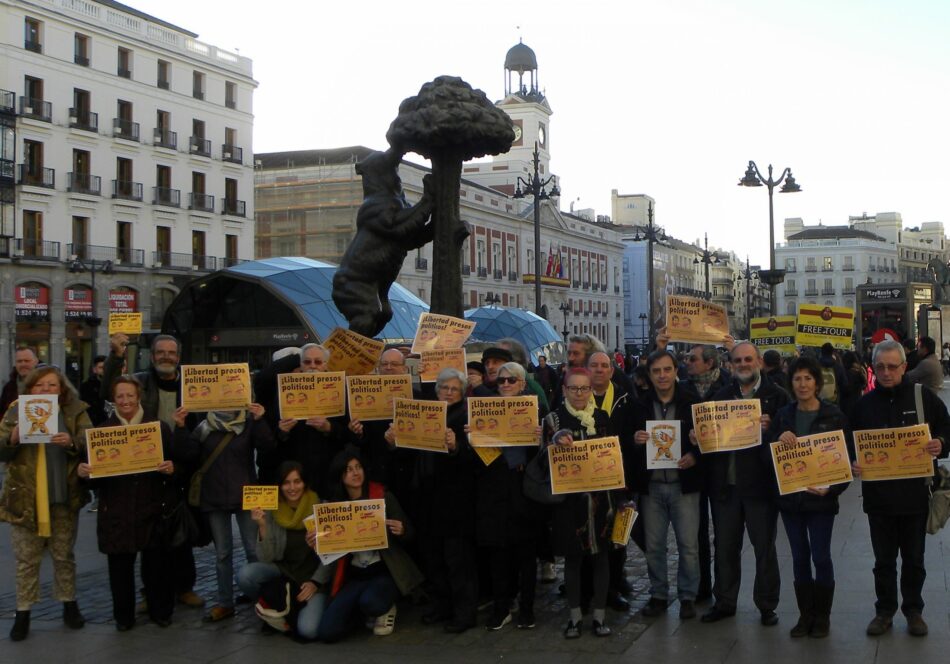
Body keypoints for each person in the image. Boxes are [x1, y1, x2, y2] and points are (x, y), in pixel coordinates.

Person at [851, 339, 950, 637]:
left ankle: (913, 610)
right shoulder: (864, 405)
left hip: (916, 496)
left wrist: (941, 443)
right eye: (879, 367)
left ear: (904, 367)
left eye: (892, 366)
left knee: (914, 559)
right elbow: (847, 442)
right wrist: (853, 462)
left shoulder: (924, 398)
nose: (885, 372)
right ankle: (884, 611)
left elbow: (947, 429)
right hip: (878, 498)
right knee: (883, 561)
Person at [101, 332, 204, 609]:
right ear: (152, 355)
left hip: (181, 460)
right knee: (152, 538)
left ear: (179, 357)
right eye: (161, 353)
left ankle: (184, 587)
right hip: (145, 465)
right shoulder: (142, 382)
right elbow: (111, 387)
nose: (166, 357)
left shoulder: (191, 384)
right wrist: (115, 356)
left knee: (180, 532)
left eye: (171, 353)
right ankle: (152, 592)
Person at [78, 375, 187, 631]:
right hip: (116, 511)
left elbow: (181, 464)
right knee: (119, 569)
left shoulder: (158, 428)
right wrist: (84, 474)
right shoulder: (103, 431)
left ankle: (161, 612)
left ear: (139, 397)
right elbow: (94, 481)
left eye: (129, 395)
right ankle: (123, 617)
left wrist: (173, 468)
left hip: (152, 508)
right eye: (120, 396)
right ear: (113, 400)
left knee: (156, 567)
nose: (125, 401)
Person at [0, 365, 91, 641]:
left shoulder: (74, 409)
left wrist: (72, 442)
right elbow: (1, 448)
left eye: (52, 385)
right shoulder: (17, 409)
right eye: (40, 385)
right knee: (26, 559)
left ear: (62, 388)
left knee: (64, 555)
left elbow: (92, 441)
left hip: (62, 495)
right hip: (25, 496)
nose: (46, 390)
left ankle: (69, 604)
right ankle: (23, 612)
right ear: (30, 388)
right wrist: (12, 439)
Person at [702, 342, 789, 626]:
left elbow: (789, 436)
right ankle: (725, 601)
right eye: (737, 360)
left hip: (760, 487)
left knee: (764, 547)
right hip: (726, 486)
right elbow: (709, 437)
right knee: (725, 547)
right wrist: (700, 436)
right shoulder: (721, 396)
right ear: (730, 364)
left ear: (759, 362)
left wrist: (772, 427)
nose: (743, 364)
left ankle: (766, 604)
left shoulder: (777, 396)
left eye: (748, 359)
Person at [767, 356, 851, 638]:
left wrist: (833, 488)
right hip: (791, 500)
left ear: (817, 382)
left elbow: (846, 462)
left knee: (821, 556)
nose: (802, 384)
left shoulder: (834, 415)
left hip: (821, 501)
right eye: (797, 378)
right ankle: (805, 615)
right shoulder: (784, 415)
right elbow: (770, 456)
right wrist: (777, 439)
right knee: (799, 557)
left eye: (808, 378)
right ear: (791, 383)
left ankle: (823, 616)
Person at [314, 449, 423, 642]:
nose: (356, 473)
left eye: (358, 467)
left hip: (384, 572)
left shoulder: (382, 496)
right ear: (340, 475)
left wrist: (402, 530)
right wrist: (318, 542)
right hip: (355, 577)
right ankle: (360, 612)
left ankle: (385, 607)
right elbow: (331, 555)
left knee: (371, 602)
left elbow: (410, 533)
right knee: (327, 632)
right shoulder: (334, 507)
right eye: (348, 470)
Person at [471, 361, 545, 631]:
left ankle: (527, 608)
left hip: (523, 491)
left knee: (526, 554)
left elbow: (543, 459)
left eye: (510, 380)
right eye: (500, 381)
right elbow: (476, 461)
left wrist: (539, 440)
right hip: (494, 490)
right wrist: (472, 439)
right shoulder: (483, 409)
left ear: (522, 384)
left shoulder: (533, 411)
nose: (504, 385)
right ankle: (501, 607)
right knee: (499, 553)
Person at [186, 404, 275, 622]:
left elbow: (268, 447)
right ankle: (225, 603)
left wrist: (261, 420)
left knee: (254, 550)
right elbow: (188, 455)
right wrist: (180, 427)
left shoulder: (248, 423)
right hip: (214, 496)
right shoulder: (204, 426)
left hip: (246, 496)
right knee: (222, 554)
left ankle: (262, 597)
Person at [544, 368, 615, 639]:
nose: (579, 393)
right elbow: (542, 457)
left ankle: (599, 616)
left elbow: (614, 456)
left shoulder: (602, 418)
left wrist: (621, 499)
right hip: (569, 503)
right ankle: (574, 617)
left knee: (601, 558)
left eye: (584, 388)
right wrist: (554, 442)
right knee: (572, 560)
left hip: (600, 500)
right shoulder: (554, 419)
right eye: (573, 388)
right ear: (564, 390)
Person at [632, 350, 701, 620]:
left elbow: (708, 441)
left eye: (666, 369)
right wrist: (635, 439)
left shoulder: (692, 402)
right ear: (649, 375)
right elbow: (627, 440)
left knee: (688, 545)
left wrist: (695, 454)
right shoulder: (640, 405)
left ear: (675, 371)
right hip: (652, 487)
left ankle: (688, 597)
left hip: (682, 484)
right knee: (654, 546)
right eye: (656, 371)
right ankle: (658, 594)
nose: (662, 375)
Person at [413, 368, 478, 633]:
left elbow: (476, 460)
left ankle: (464, 613)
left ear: (462, 393)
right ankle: (442, 606)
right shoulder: (425, 412)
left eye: (454, 389)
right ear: (437, 390)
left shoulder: (467, 416)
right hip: (428, 496)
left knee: (458, 561)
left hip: (457, 500)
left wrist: (456, 447)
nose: (448, 393)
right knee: (434, 557)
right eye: (444, 388)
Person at [238, 461, 325, 641]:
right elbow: (266, 557)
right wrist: (262, 527)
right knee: (245, 575)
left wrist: (316, 582)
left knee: (308, 630)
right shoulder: (273, 509)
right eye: (286, 482)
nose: (292, 488)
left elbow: (332, 558)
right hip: (284, 573)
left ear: (305, 483)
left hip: (312, 578)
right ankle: (275, 604)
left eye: (297, 481)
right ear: (279, 485)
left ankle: (283, 612)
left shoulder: (321, 507)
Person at [275, 344, 344, 496]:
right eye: (307, 362)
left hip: (329, 474)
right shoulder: (285, 391)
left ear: (325, 365)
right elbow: (273, 437)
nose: (312, 366)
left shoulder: (340, 390)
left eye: (318, 362)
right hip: (298, 476)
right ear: (301, 365)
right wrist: (282, 431)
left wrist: (329, 428)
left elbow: (348, 433)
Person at [0, 346, 39, 415]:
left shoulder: (48, 385)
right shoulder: (8, 388)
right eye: (19, 361)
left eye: (27, 361)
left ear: (36, 361)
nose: (23, 364)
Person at [79, 355, 107, 426]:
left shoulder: (116, 384)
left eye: (106, 367)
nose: (104, 370)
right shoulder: (86, 386)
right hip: (95, 424)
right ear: (95, 369)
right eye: (101, 367)